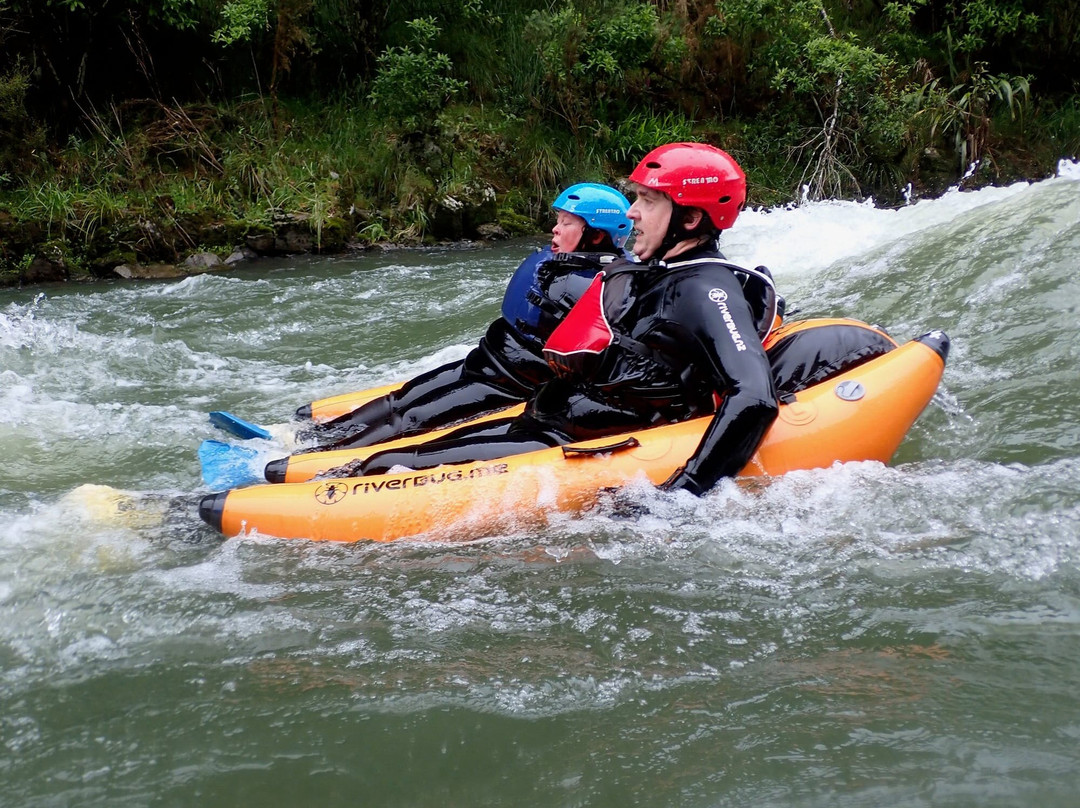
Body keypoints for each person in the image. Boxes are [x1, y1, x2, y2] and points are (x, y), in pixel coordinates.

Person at [352, 142, 780, 495]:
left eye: (648, 202)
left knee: (385, 466)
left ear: (689, 218)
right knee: (387, 459)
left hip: (575, 440)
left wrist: (681, 494)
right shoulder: (657, 272)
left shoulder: (707, 289)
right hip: (545, 421)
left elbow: (754, 396)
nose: (631, 213)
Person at [291, 183, 632, 453]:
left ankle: (316, 461)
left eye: (566, 223)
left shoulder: (601, 287)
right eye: (557, 220)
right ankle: (312, 439)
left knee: (412, 417)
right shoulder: (563, 264)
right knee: (403, 397)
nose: (555, 230)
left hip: (512, 383)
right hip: (486, 360)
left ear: (596, 235)